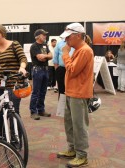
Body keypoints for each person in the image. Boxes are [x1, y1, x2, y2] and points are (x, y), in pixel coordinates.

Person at [56, 22, 94, 167]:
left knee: (79, 125)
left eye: (68, 37)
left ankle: (82, 155)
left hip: (79, 93)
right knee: (70, 123)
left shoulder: (84, 50)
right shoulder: (79, 49)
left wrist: (65, 54)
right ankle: (72, 149)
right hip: (72, 91)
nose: (66, 40)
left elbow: (71, 70)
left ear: (78, 36)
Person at [0, 24, 27, 136]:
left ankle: (15, 138)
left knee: (13, 111)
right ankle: (2, 135)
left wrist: (22, 68)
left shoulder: (14, 45)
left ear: (3, 34)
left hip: (13, 83)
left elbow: (23, 58)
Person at [29, 29, 52, 120]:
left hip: (45, 70)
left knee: (43, 91)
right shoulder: (34, 46)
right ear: (38, 36)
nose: (45, 36)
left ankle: (41, 110)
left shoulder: (45, 45)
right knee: (36, 92)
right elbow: (40, 58)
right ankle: (33, 111)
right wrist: (47, 56)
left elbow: (51, 56)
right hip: (37, 70)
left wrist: (46, 56)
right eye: (43, 35)